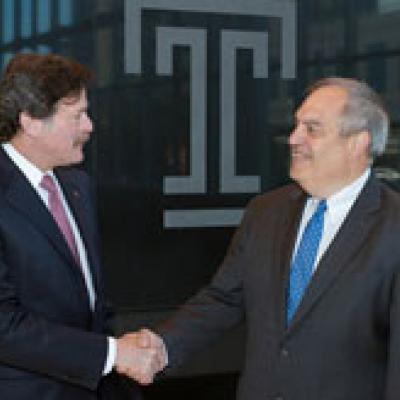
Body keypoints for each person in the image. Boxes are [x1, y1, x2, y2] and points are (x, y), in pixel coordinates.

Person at [129, 77, 400, 399]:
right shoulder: (266, 211)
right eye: (296, 126)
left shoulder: (392, 225)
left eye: (312, 129)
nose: (294, 139)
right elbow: (225, 298)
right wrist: (164, 344)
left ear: (357, 143)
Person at [0, 53, 162, 399]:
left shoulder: (77, 186)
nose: (89, 126)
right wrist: (114, 354)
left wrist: (118, 357)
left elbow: (93, 304)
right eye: (77, 116)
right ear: (30, 121)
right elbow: (4, 325)